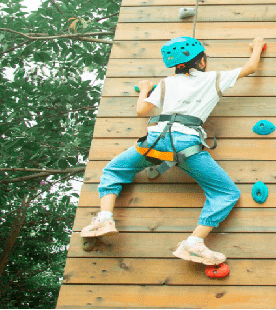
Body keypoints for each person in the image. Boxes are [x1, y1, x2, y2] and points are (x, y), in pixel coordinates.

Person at [80, 36, 265, 265]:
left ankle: (105, 218)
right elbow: (251, 67)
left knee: (113, 171)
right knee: (226, 193)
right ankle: (194, 243)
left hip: (154, 142)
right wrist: (256, 46)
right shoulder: (214, 79)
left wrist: (145, 90)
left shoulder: (166, 83)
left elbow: (141, 111)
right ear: (200, 62)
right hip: (186, 144)